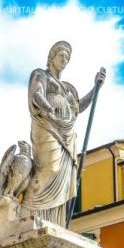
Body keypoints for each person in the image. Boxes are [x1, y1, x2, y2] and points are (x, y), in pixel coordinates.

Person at [21, 41, 106, 226]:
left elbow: (79, 107)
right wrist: (49, 107)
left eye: (67, 58)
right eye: (61, 56)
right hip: (46, 125)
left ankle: (53, 221)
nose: (64, 60)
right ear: (52, 57)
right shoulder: (40, 74)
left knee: (63, 175)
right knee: (48, 168)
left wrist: (95, 88)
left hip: (66, 134)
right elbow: (36, 94)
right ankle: (28, 213)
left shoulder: (67, 87)